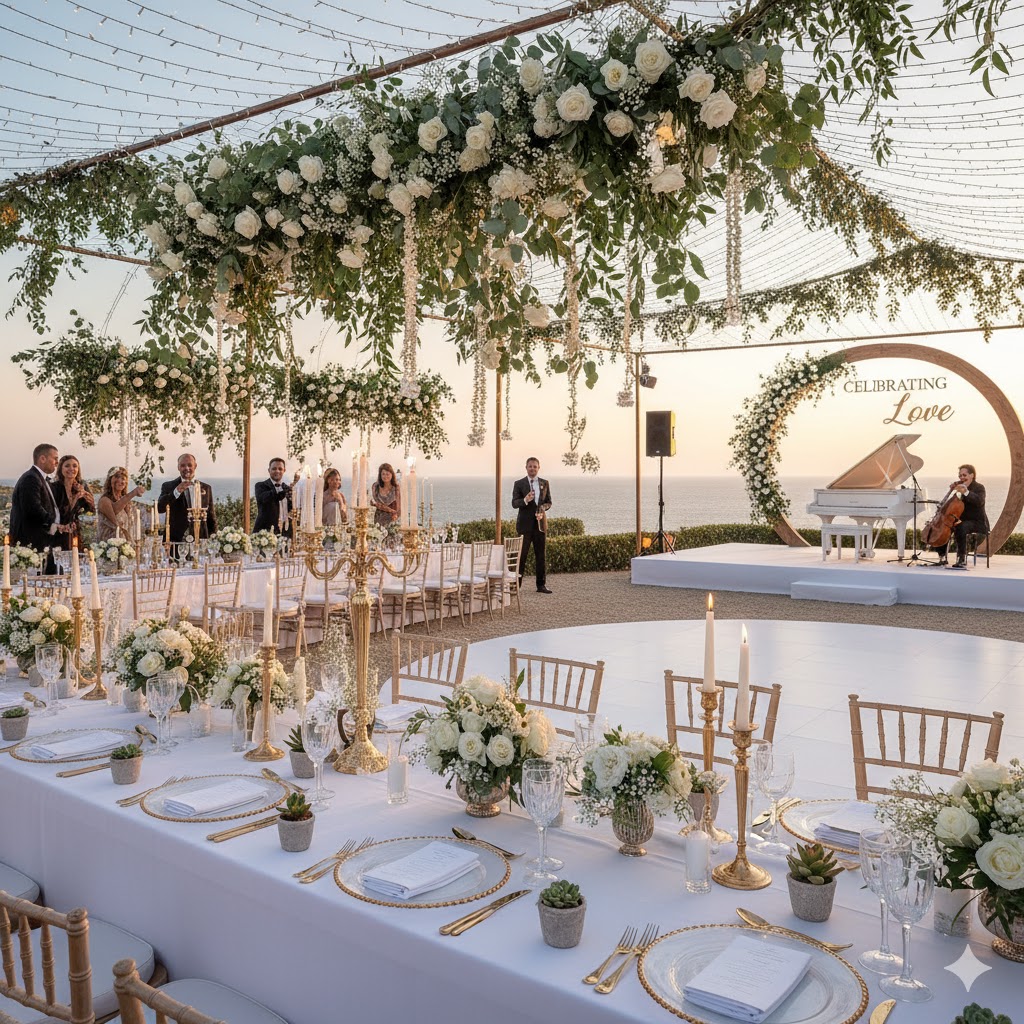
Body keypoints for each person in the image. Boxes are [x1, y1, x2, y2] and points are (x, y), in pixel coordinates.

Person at [9, 443, 66, 556]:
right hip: (31, 543)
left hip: (40, 541)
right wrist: (52, 524)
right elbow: (32, 508)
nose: (57, 462)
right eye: (55, 458)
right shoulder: (31, 478)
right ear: (42, 459)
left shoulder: (40, 478)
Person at [511, 456, 552, 593]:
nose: (532, 468)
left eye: (535, 466)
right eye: (530, 466)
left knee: (541, 555)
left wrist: (542, 509)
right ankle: (516, 586)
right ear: (526, 467)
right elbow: (514, 503)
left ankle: (541, 585)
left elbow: (548, 502)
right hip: (525, 526)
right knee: (521, 556)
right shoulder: (519, 483)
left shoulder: (545, 483)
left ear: (538, 468)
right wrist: (525, 499)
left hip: (540, 525)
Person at [936, 463, 989, 569]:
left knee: (961, 527)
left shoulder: (979, 487)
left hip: (979, 523)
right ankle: (942, 556)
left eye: (964, 475)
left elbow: (979, 501)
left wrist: (965, 492)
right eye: (960, 476)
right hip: (964, 521)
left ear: (972, 475)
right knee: (945, 526)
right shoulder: (961, 489)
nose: (962, 478)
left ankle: (961, 559)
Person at [157, 453, 217, 544]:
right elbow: (160, 508)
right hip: (175, 542)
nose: (187, 468)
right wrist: (176, 491)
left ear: (195, 466)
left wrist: (213, 539)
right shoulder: (168, 486)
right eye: (183, 465)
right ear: (178, 467)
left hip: (200, 540)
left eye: (189, 465)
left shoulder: (206, 488)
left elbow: (211, 516)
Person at [51, 454, 95, 550]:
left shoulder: (83, 485)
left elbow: (91, 512)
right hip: (59, 533)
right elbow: (58, 514)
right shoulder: (54, 488)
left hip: (77, 533)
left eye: (75, 466)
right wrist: (75, 499)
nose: (71, 469)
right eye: (67, 466)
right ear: (60, 469)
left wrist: (89, 500)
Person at [97, 466, 145, 541]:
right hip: (107, 546)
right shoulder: (104, 500)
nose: (119, 480)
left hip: (123, 544)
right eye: (116, 476)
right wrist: (133, 493)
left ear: (126, 482)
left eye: (123, 478)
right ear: (110, 479)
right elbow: (115, 510)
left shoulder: (126, 501)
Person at [254, 458, 296, 535]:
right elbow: (264, 498)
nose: (277, 471)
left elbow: (292, 509)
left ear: (284, 470)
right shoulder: (261, 486)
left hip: (285, 532)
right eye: (274, 469)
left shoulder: (288, 489)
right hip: (264, 533)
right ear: (269, 470)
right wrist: (281, 490)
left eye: (280, 469)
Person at [371, 463, 401, 530]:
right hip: (379, 518)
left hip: (392, 519)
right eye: (383, 474)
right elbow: (375, 502)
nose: (385, 476)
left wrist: (396, 517)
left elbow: (399, 507)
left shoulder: (396, 487)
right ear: (380, 475)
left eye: (387, 474)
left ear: (392, 475)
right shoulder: (375, 487)